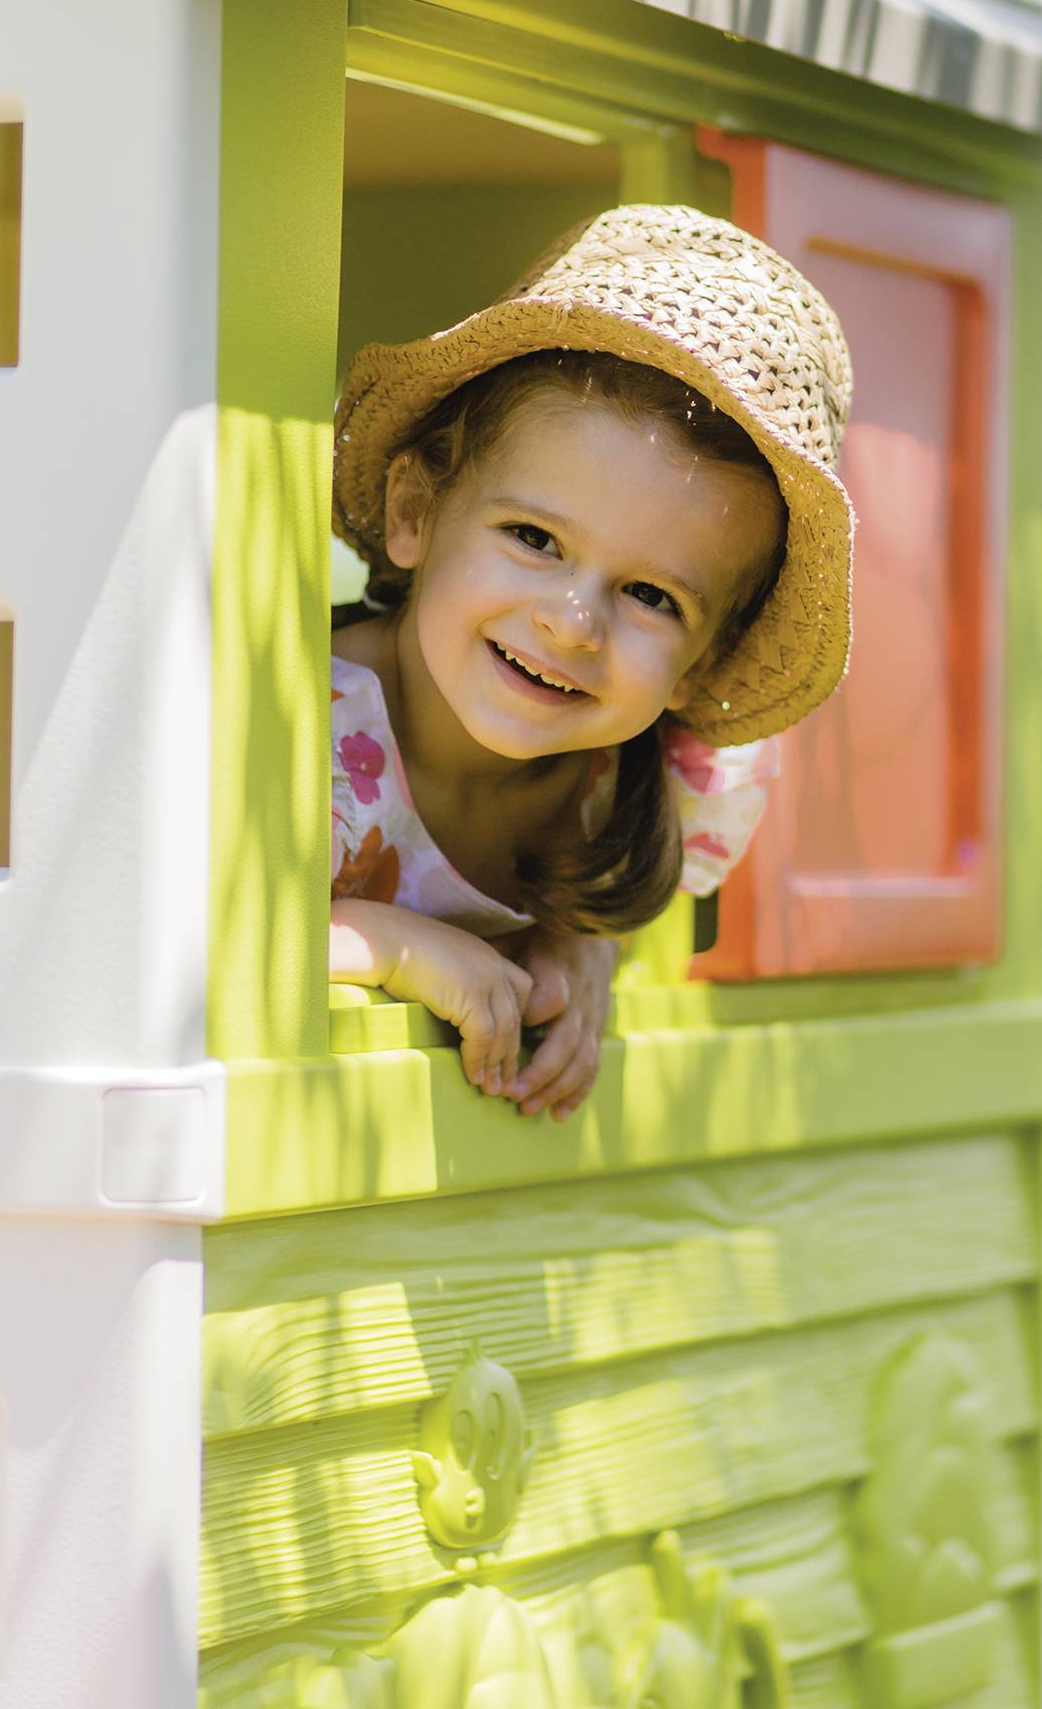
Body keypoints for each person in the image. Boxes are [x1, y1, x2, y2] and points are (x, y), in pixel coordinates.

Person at [327, 204, 854, 1122]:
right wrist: (388, 946)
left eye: (653, 597)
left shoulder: (638, 789)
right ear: (413, 511)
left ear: (702, 664)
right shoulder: (293, 725)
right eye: (534, 538)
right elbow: (161, 933)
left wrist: (582, 946)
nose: (574, 623)